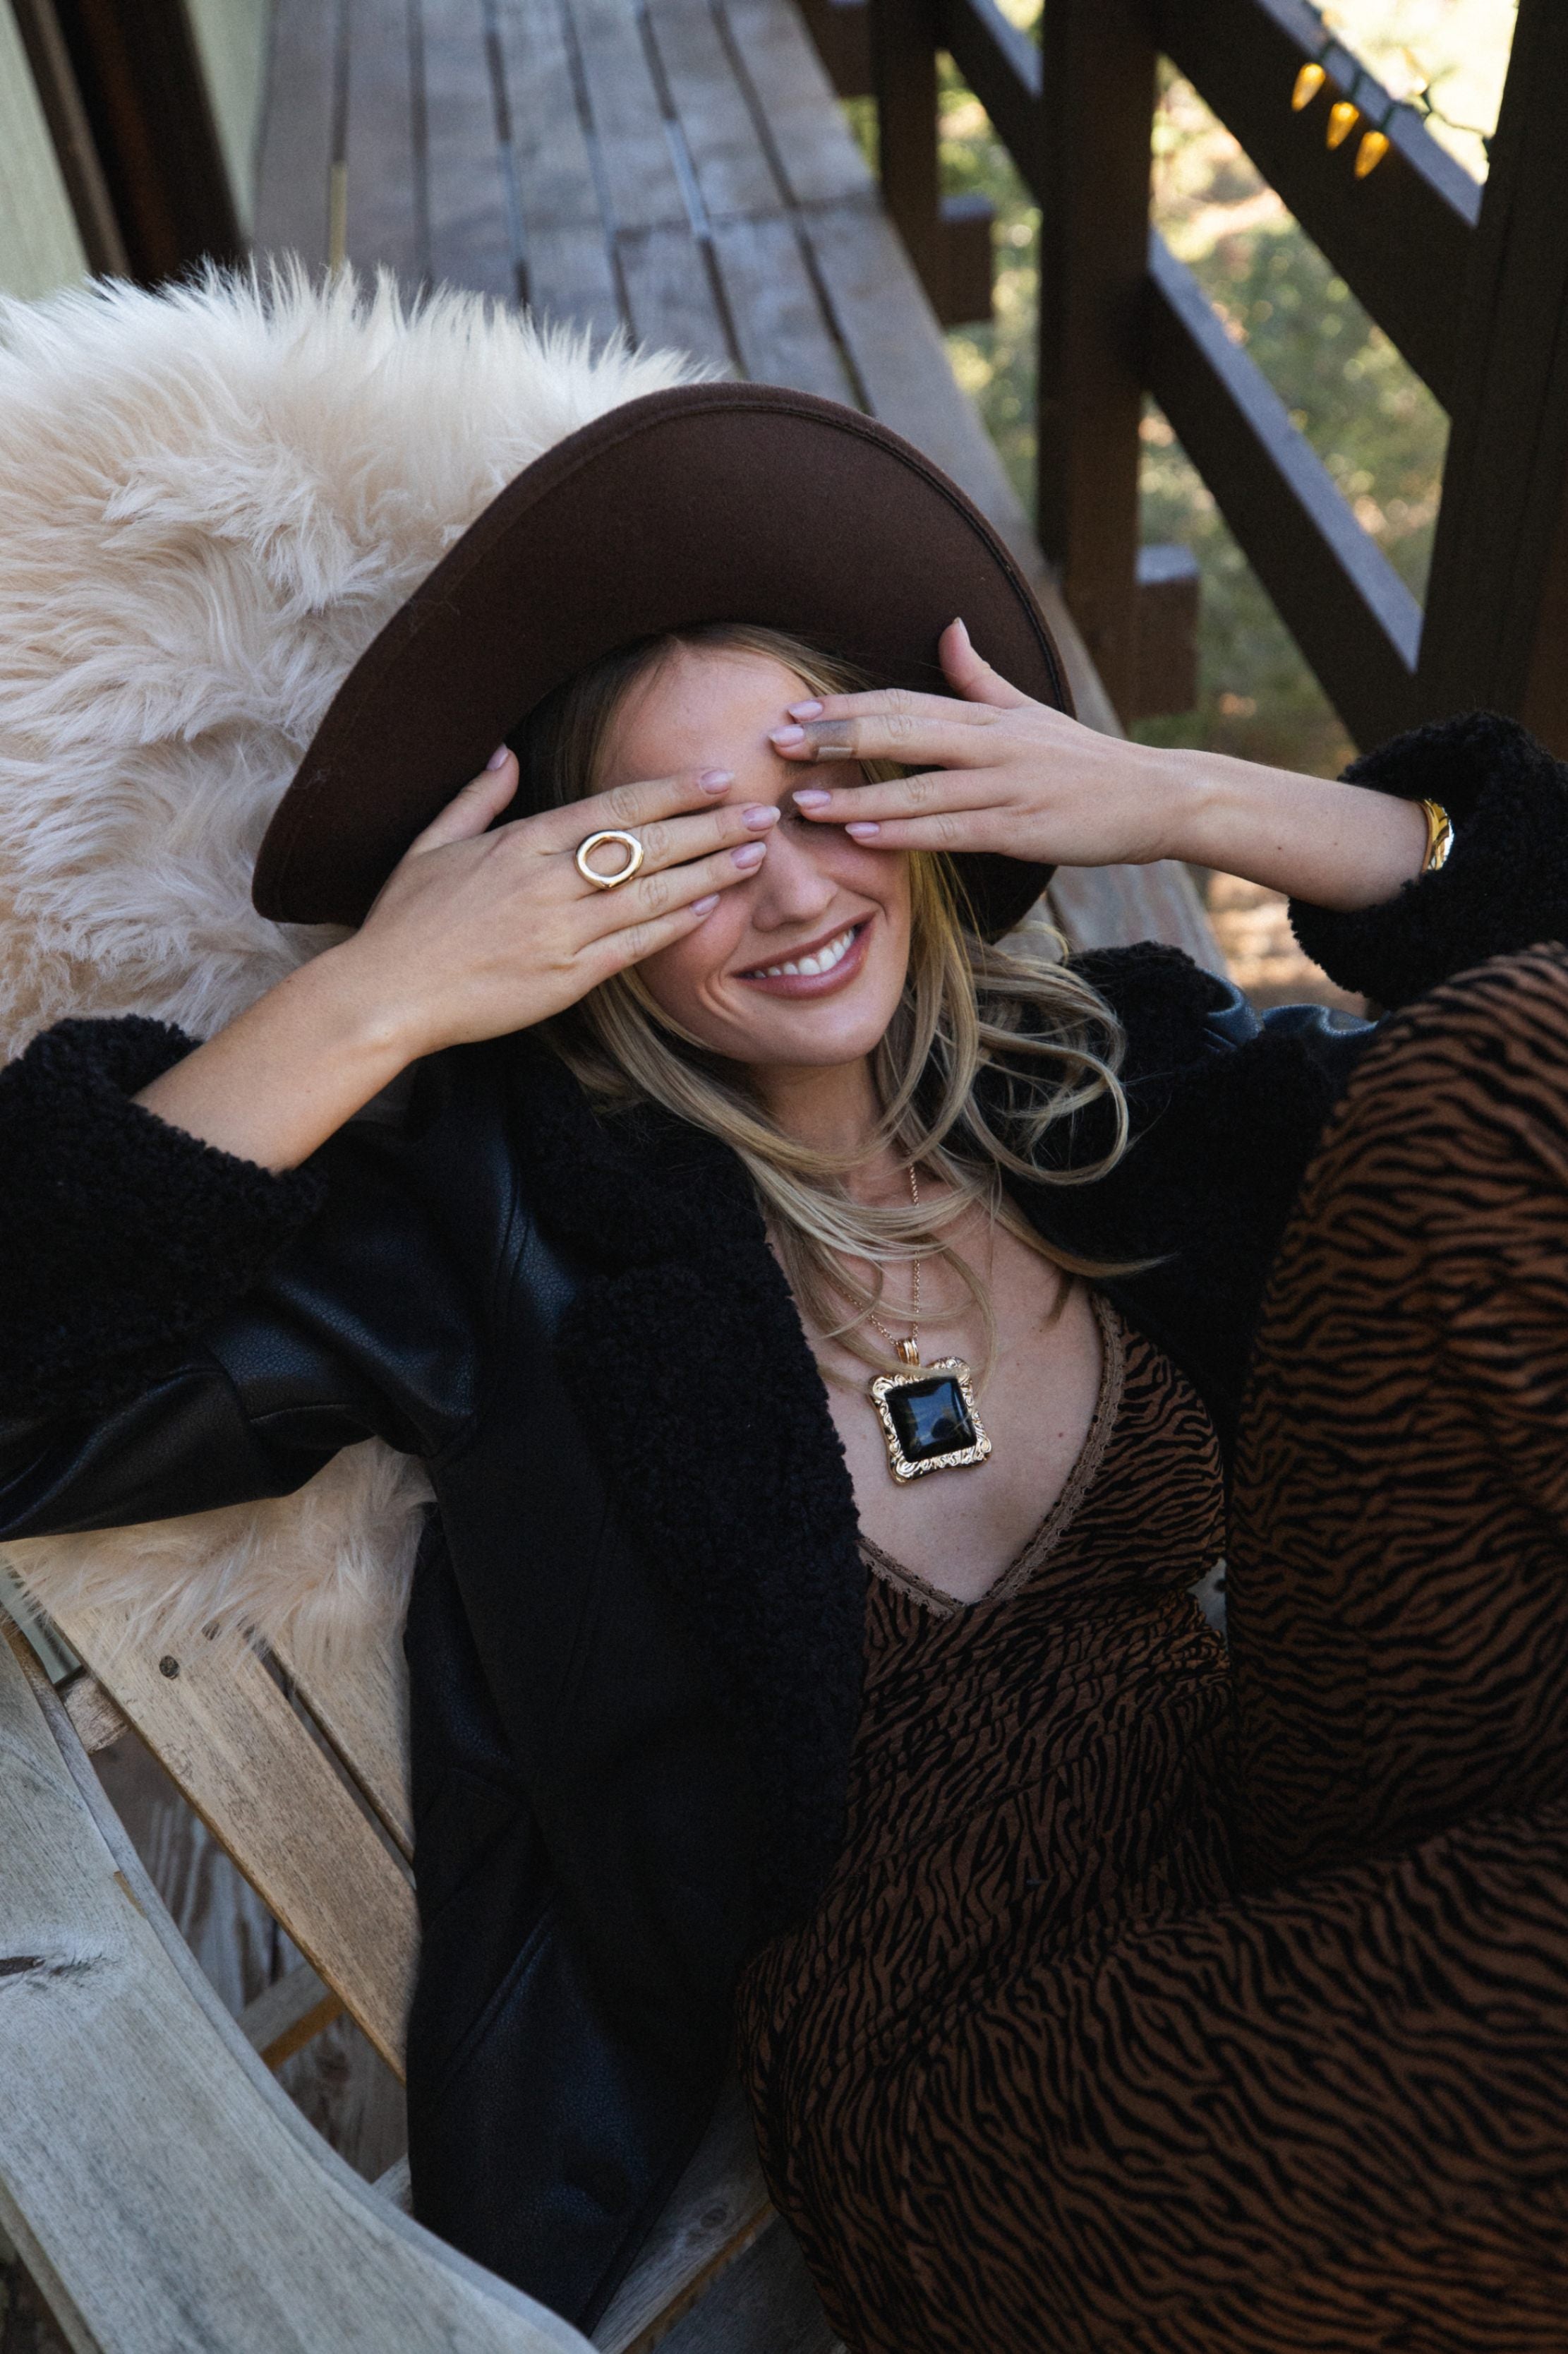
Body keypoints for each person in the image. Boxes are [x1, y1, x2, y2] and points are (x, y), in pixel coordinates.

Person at [1, 383, 1565, 2349]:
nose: (799, 890)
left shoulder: (1108, 1085)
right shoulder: (511, 1229)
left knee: (1506, 1065)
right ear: (575, 904)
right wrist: (383, 991)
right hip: (976, 2086)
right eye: (682, 846)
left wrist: (1187, 799)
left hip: (1311, 1823)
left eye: (828, 794)